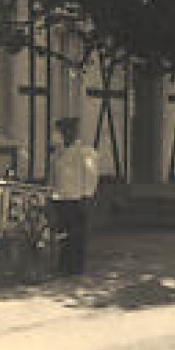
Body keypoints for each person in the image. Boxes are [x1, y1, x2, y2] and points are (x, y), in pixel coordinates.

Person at [48, 117, 101, 275]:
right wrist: (50, 195)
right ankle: (63, 265)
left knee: (76, 234)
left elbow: (91, 175)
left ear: (73, 132)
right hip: (60, 199)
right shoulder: (57, 154)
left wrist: (87, 196)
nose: (62, 134)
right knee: (62, 233)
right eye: (61, 131)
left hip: (77, 199)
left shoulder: (86, 152)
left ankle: (76, 266)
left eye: (65, 131)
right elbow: (52, 177)